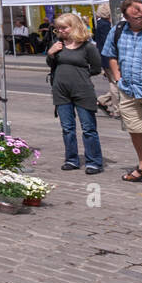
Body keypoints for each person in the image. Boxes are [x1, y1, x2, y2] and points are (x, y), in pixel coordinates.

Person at [47, 12, 102, 174]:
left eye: (64, 27)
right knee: (67, 128)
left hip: (82, 91)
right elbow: (51, 65)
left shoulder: (88, 47)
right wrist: (51, 53)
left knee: (88, 128)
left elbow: (96, 68)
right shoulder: (58, 45)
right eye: (58, 28)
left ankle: (94, 161)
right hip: (61, 91)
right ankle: (71, 159)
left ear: (74, 26)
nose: (61, 31)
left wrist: (81, 76)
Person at [103, 0, 142, 182]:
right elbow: (110, 54)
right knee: (136, 130)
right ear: (127, 18)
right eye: (138, 17)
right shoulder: (118, 30)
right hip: (128, 90)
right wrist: (117, 77)